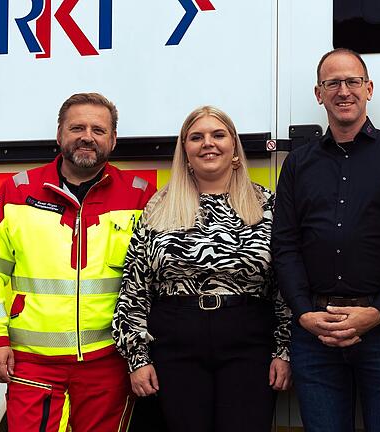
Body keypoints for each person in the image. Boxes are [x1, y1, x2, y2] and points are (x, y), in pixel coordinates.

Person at [0, 93, 156, 432]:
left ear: (112, 140)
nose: (87, 136)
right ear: (59, 135)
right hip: (32, 361)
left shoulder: (139, 194)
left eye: (99, 130)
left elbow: (152, 280)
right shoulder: (17, 191)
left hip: (108, 359)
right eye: (77, 127)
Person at [112, 105, 292, 432]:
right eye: (197, 137)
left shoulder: (267, 204)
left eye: (218, 135)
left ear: (234, 148)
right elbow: (134, 287)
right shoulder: (159, 207)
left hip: (249, 344)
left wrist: (284, 350)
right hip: (174, 344)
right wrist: (138, 359)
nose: (208, 143)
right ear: (186, 152)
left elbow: (286, 285)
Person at [272, 48, 380, 431]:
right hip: (314, 333)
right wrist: (305, 313)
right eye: (333, 83)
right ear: (318, 93)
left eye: (353, 81)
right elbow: (285, 245)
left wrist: (379, 310)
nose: (344, 91)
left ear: (368, 88)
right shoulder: (298, 164)